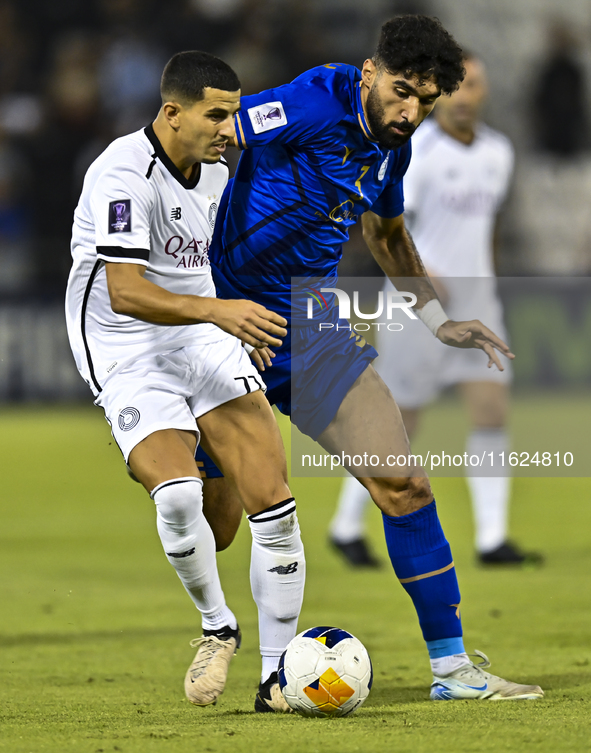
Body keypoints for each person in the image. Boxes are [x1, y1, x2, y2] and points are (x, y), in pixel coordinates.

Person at [197, 15, 544, 702]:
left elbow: (386, 233)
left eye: (425, 99)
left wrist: (439, 320)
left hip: (313, 323)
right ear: (369, 72)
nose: (409, 110)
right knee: (220, 523)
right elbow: (213, 134)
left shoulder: (394, 150)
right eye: (400, 91)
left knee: (405, 483)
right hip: (226, 320)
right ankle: (216, 618)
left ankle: (451, 670)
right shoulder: (310, 101)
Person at [65, 51, 305, 713]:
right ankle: (217, 625)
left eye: (234, 112)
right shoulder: (121, 174)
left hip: (203, 336)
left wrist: (242, 313)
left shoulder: (219, 173)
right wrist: (221, 310)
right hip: (126, 347)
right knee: (177, 498)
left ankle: (277, 675)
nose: (231, 127)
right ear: (172, 112)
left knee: (267, 503)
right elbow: (126, 291)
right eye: (217, 113)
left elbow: (221, 261)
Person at [330, 53, 543, 567]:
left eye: (476, 86)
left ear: (485, 93)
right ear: (443, 93)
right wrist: (428, 279)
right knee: (400, 420)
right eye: (459, 87)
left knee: (491, 409)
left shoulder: (499, 152)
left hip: (477, 302)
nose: (466, 97)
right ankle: (346, 523)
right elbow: (389, 230)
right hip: (415, 305)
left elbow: (484, 228)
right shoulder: (415, 150)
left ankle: (492, 539)